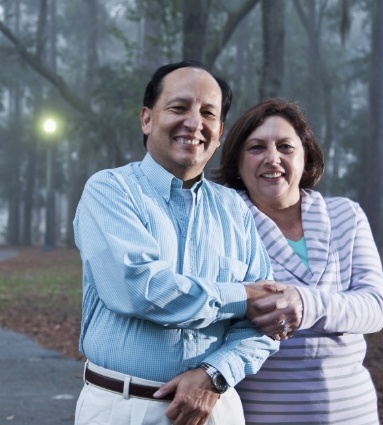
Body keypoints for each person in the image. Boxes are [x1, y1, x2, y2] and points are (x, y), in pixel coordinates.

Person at [72, 62, 296, 425]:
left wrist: (214, 373)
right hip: (123, 407)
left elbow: (266, 321)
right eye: (179, 108)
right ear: (147, 119)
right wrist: (242, 296)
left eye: (208, 113)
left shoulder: (234, 210)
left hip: (215, 407)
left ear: (219, 132)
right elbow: (138, 288)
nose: (194, 123)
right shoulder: (110, 190)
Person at [213, 98, 383, 425]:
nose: (272, 158)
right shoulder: (222, 223)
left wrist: (307, 304)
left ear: (306, 155)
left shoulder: (345, 215)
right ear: (237, 162)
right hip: (267, 413)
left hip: (354, 411)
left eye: (285, 147)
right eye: (256, 148)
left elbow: (375, 307)